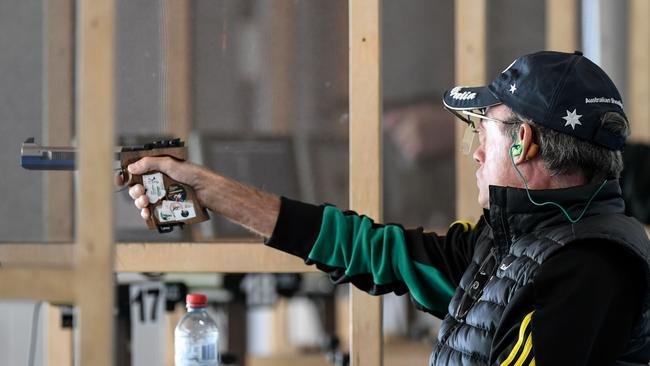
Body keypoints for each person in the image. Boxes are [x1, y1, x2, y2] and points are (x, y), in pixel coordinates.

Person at [123, 51, 650, 365]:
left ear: (523, 143)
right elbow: (372, 252)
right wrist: (210, 191)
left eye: (481, 130)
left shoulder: (585, 268)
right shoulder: (519, 241)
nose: (476, 151)